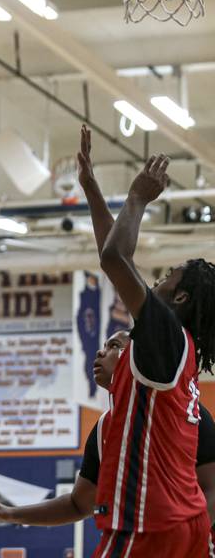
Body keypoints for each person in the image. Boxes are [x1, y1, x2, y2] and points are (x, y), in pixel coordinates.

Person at [78, 126, 215, 556]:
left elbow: (116, 259)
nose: (154, 280)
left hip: (148, 525)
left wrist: (136, 198)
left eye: (166, 278)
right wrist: (92, 190)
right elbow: (115, 260)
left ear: (182, 298)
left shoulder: (167, 338)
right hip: (184, 522)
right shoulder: (176, 348)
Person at [0, 330, 215, 527]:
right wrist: (9, 513)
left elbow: (212, 489)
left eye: (114, 346)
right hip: (134, 541)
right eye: (104, 346)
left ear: (138, 358)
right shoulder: (104, 427)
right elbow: (78, 504)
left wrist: (187, 540)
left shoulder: (182, 411)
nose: (100, 353)